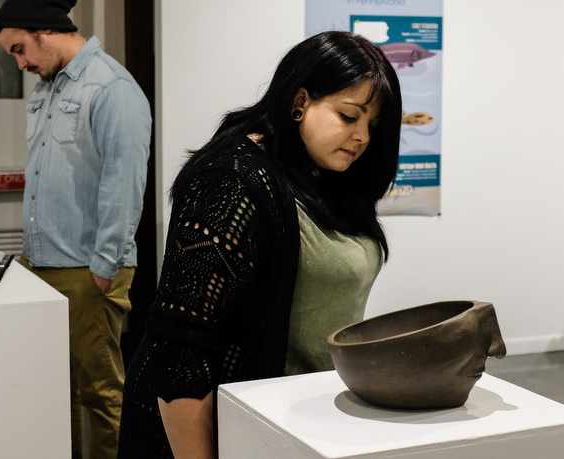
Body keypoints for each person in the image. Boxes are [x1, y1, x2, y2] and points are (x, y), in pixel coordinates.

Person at [117, 31, 402, 458]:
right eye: (348, 116)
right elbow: (180, 350)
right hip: (222, 428)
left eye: (372, 126)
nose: (362, 136)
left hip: (300, 418)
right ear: (299, 101)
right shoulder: (231, 182)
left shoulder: (325, 177)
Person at [0, 1, 152, 458]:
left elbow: (124, 185)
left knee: (101, 397)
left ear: (46, 30)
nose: (20, 64)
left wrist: (104, 268)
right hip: (40, 268)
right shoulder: (47, 88)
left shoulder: (113, 88)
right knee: (50, 393)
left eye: (20, 49)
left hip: (88, 271)